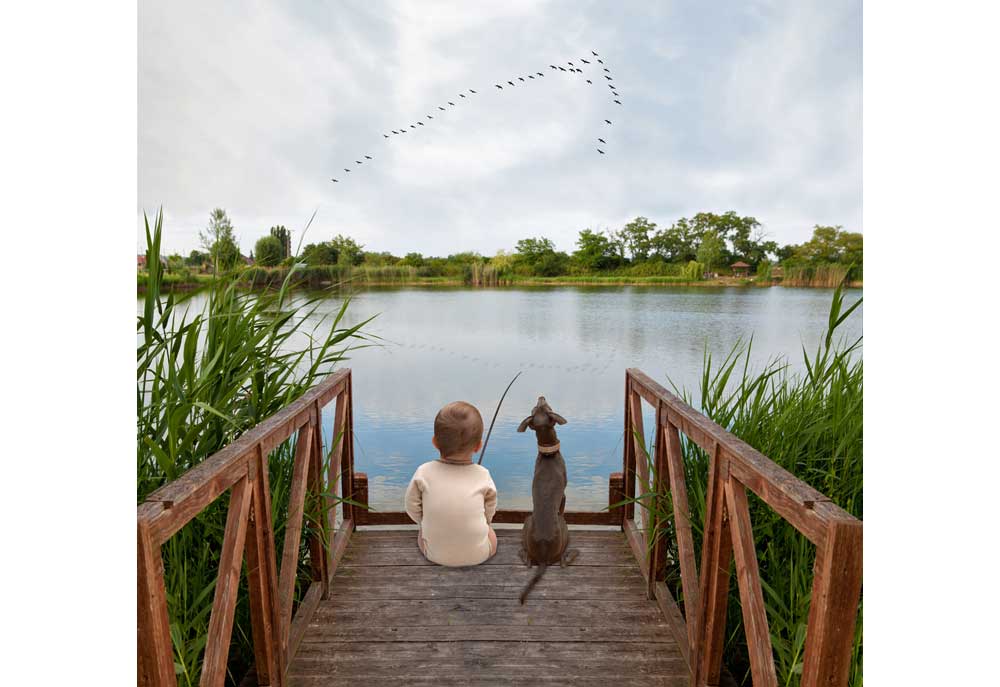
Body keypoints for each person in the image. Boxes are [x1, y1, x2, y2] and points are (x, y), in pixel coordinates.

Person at [404, 401, 498, 566]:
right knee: (492, 535)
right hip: (479, 556)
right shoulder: (483, 474)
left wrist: (424, 520)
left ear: (435, 442)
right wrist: (485, 523)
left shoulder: (423, 472)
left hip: (434, 555)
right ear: (478, 446)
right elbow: (489, 510)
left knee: (422, 533)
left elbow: (411, 506)